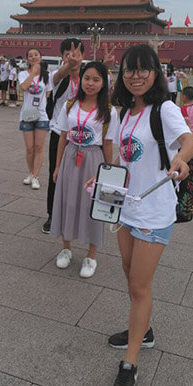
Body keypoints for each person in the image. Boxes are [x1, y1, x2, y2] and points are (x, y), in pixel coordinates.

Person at [102, 44, 193, 386]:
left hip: (154, 212)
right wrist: (103, 183)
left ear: (155, 73)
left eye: (143, 69)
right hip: (126, 207)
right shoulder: (124, 113)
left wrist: (181, 159)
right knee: (130, 276)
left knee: (140, 286)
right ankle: (144, 330)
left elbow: (188, 140)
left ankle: (131, 362)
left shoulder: (164, 108)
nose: (135, 76)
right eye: (129, 69)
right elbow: (124, 160)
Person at [50, 61, 118, 278]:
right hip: (70, 156)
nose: (90, 83)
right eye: (87, 78)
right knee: (67, 202)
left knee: (93, 206)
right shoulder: (70, 105)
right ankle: (66, 248)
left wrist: (108, 174)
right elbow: (62, 137)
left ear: (104, 83)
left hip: (93, 159)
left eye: (96, 79)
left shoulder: (109, 111)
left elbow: (108, 143)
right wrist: (57, 166)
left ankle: (91, 256)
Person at [42, 38, 85, 233]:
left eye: (76, 53)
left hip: (83, 136)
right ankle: (52, 213)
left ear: (83, 56)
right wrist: (69, 65)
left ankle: (77, 214)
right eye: (68, 54)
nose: (72, 57)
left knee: (81, 176)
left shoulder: (87, 78)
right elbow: (60, 74)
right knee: (56, 174)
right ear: (62, 57)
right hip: (59, 133)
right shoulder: (57, 77)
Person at [18, 48, 51, 189]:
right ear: (27, 59)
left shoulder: (47, 76)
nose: (33, 57)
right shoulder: (23, 74)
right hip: (27, 114)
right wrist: (33, 73)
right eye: (30, 55)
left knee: (39, 147)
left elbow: (48, 94)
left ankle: (36, 176)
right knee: (29, 148)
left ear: (41, 57)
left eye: (36, 55)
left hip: (41, 115)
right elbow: (24, 87)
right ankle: (31, 173)